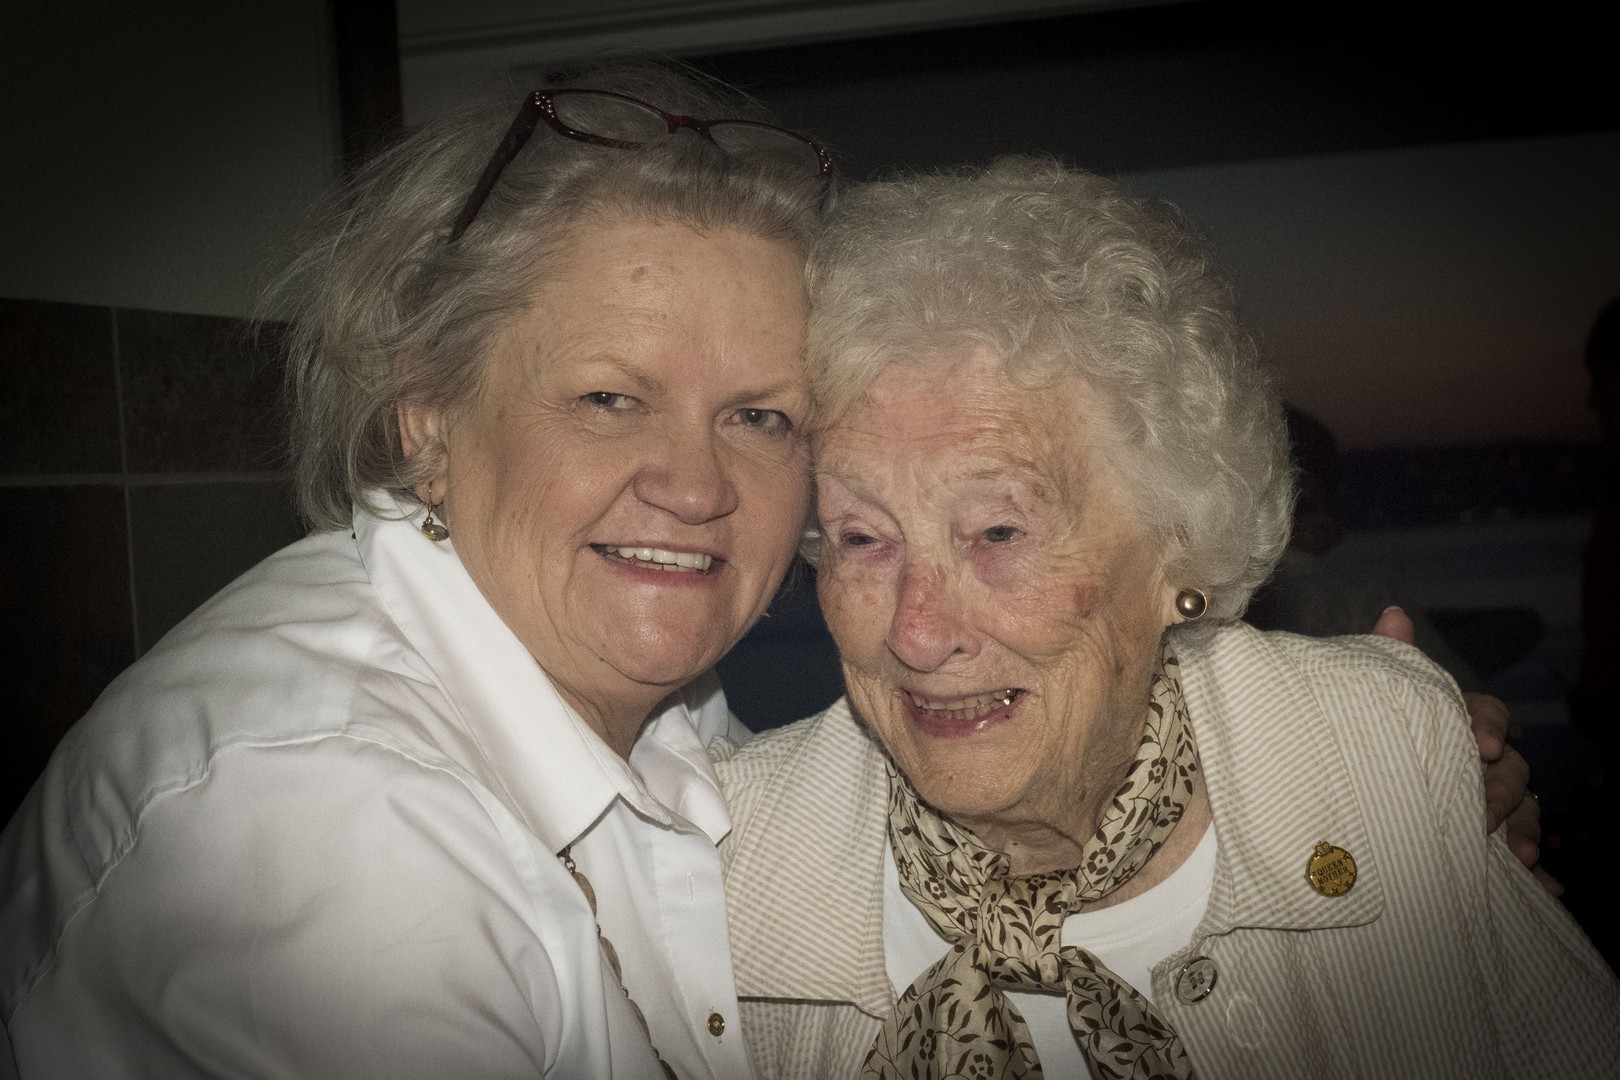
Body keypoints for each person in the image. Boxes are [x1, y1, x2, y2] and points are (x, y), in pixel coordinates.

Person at [0, 66, 830, 1079]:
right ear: (430, 416)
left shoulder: (649, 696)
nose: (698, 488)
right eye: (609, 399)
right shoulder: (335, 825)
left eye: (760, 416)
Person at [713, 158, 1618, 1079]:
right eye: (863, 538)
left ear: (1178, 548)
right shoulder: (725, 865)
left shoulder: (1375, 753)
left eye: (998, 530)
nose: (915, 632)